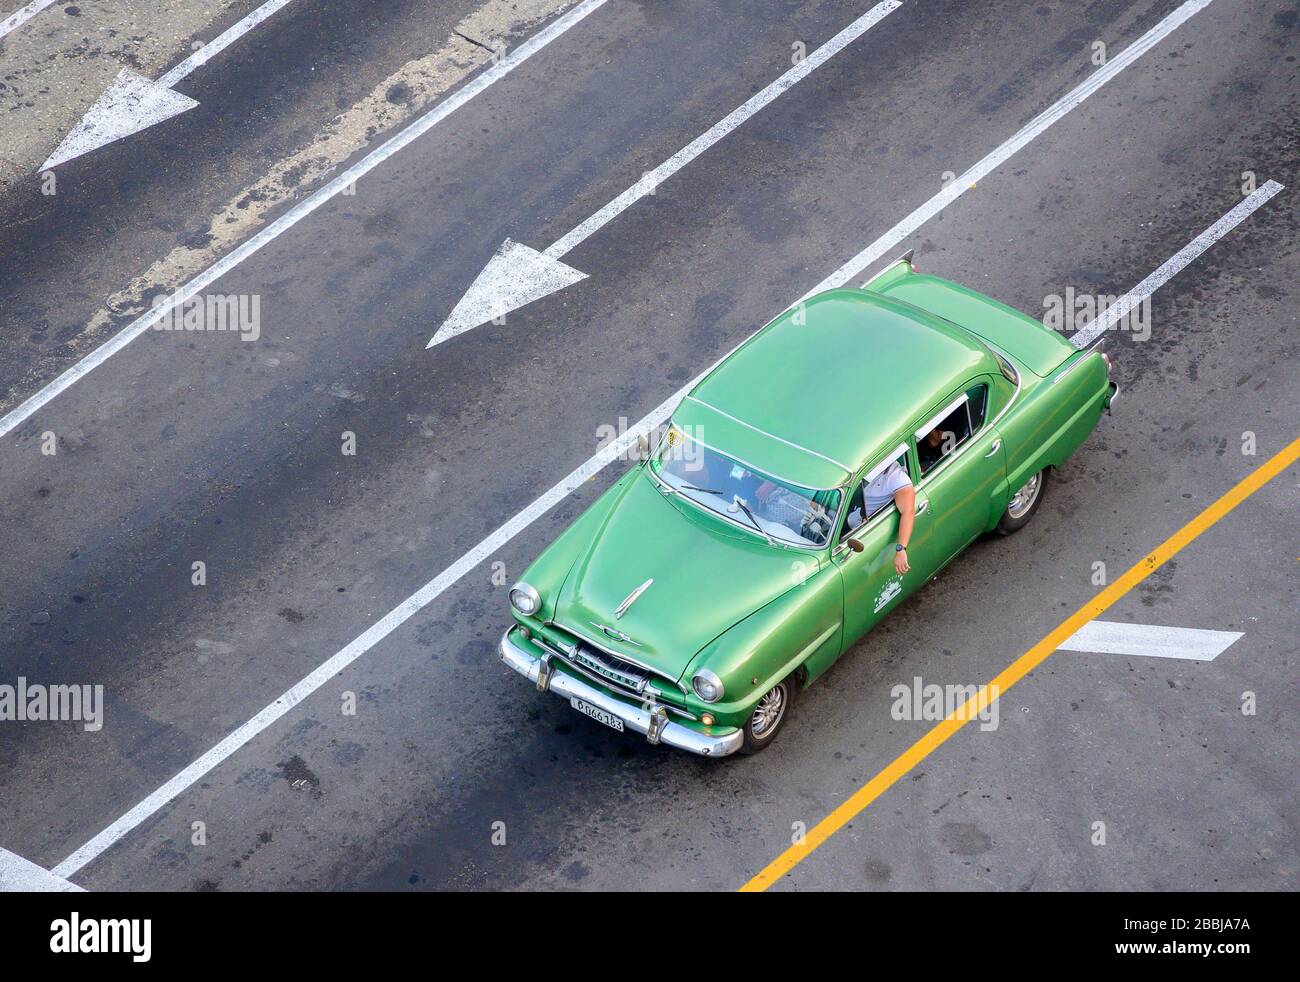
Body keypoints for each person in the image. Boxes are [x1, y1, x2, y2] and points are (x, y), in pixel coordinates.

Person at [860, 457, 915, 574]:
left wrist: (901, 549)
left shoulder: (897, 477)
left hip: (859, 525)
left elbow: (908, 512)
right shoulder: (860, 464)